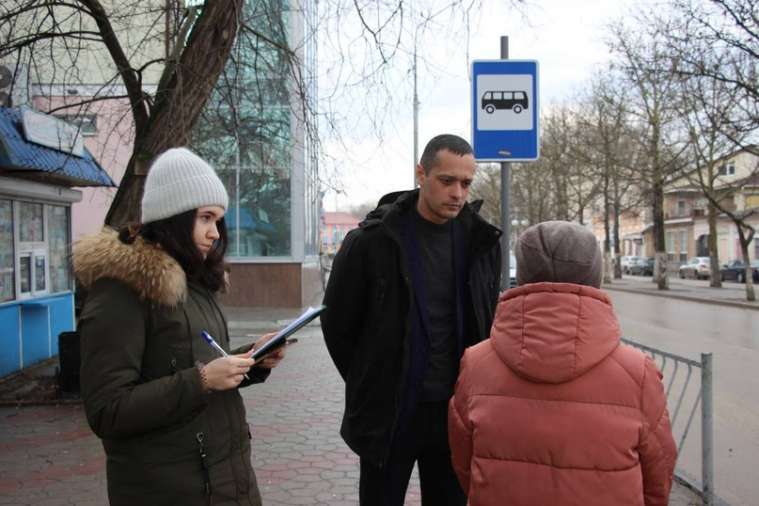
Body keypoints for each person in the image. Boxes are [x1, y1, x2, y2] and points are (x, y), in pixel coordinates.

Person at [74, 147, 285, 506]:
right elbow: (107, 410)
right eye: (205, 218)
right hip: (168, 488)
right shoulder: (120, 292)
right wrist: (202, 380)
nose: (215, 233)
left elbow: (198, 362)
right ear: (173, 217)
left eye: (218, 220)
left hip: (224, 481)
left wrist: (249, 359)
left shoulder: (196, 284)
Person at [321, 134, 502, 506]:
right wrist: (370, 380)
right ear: (421, 174)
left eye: (466, 183)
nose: (457, 193)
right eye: (446, 180)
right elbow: (337, 324)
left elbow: (487, 321)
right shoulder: (372, 241)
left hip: (454, 413)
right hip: (390, 414)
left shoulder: (481, 242)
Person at [448, 220, 677, 506]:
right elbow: (659, 472)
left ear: (524, 274)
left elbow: (464, 462)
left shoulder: (476, 363)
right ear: (594, 274)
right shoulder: (637, 372)